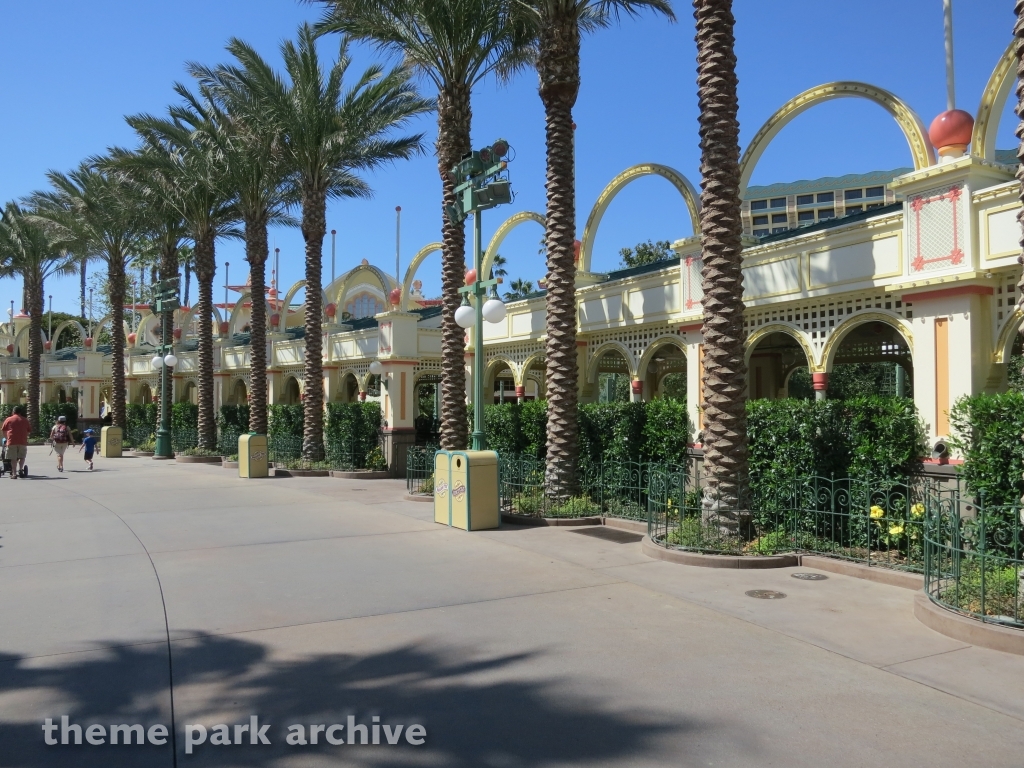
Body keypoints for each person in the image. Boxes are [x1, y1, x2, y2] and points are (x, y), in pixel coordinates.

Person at [1, 405, 31, 479]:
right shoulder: (25, 420)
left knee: (13, 458)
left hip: (12, 441)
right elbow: (28, 431)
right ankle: (20, 470)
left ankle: (14, 473)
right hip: (22, 441)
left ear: (13, 412)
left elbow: (3, 430)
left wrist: (7, 438)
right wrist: (24, 437)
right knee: (22, 456)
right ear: (20, 412)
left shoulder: (9, 419)